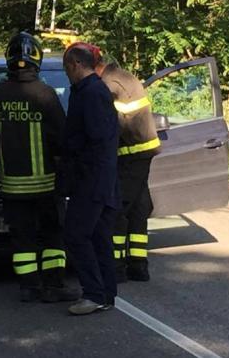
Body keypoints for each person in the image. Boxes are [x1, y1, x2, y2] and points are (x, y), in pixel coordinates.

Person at [0, 32, 78, 303]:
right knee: (52, 235)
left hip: (13, 184)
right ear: (36, 60)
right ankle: (53, 286)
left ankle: (28, 287)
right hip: (45, 184)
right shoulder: (45, 94)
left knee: (23, 239)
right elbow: (62, 136)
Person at [88, 47, 160, 283]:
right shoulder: (124, 77)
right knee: (139, 208)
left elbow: (108, 126)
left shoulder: (109, 85)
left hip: (129, 156)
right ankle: (138, 265)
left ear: (96, 66)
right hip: (141, 153)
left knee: (117, 209)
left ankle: (116, 266)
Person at [61, 44, 120, 315]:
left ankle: (94, 293)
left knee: (76, 234)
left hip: (92, 179)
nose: (67, 74)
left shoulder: (91, 93)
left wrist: (71, 156)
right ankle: (106, 294)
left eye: (66, 68)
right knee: (98, 237)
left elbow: (94, 138)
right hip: (101, 177)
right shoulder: (91, 91)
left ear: (75, 64)